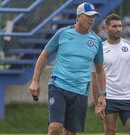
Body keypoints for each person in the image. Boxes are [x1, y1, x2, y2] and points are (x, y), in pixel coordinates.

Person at [29, 2, 106, 135]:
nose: (92, 19)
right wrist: (35, 81)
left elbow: (100, 70)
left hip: (80, 91)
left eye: (93, 16)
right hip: (58, 86)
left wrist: (102, 95)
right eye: (88, 16)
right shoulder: (63, 33)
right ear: (78, 17)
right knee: (55, 127)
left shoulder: (96, 41)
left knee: (70, 132)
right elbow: (43, 57)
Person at [92, 13, 130, 135]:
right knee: (110, 132)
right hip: (109, 99)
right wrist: (97, 103)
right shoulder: (100, 49)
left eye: (120, 26)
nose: (118, 29)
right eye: (114, 26)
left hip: (127, 99)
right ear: (106, 28)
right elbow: (94, 77)